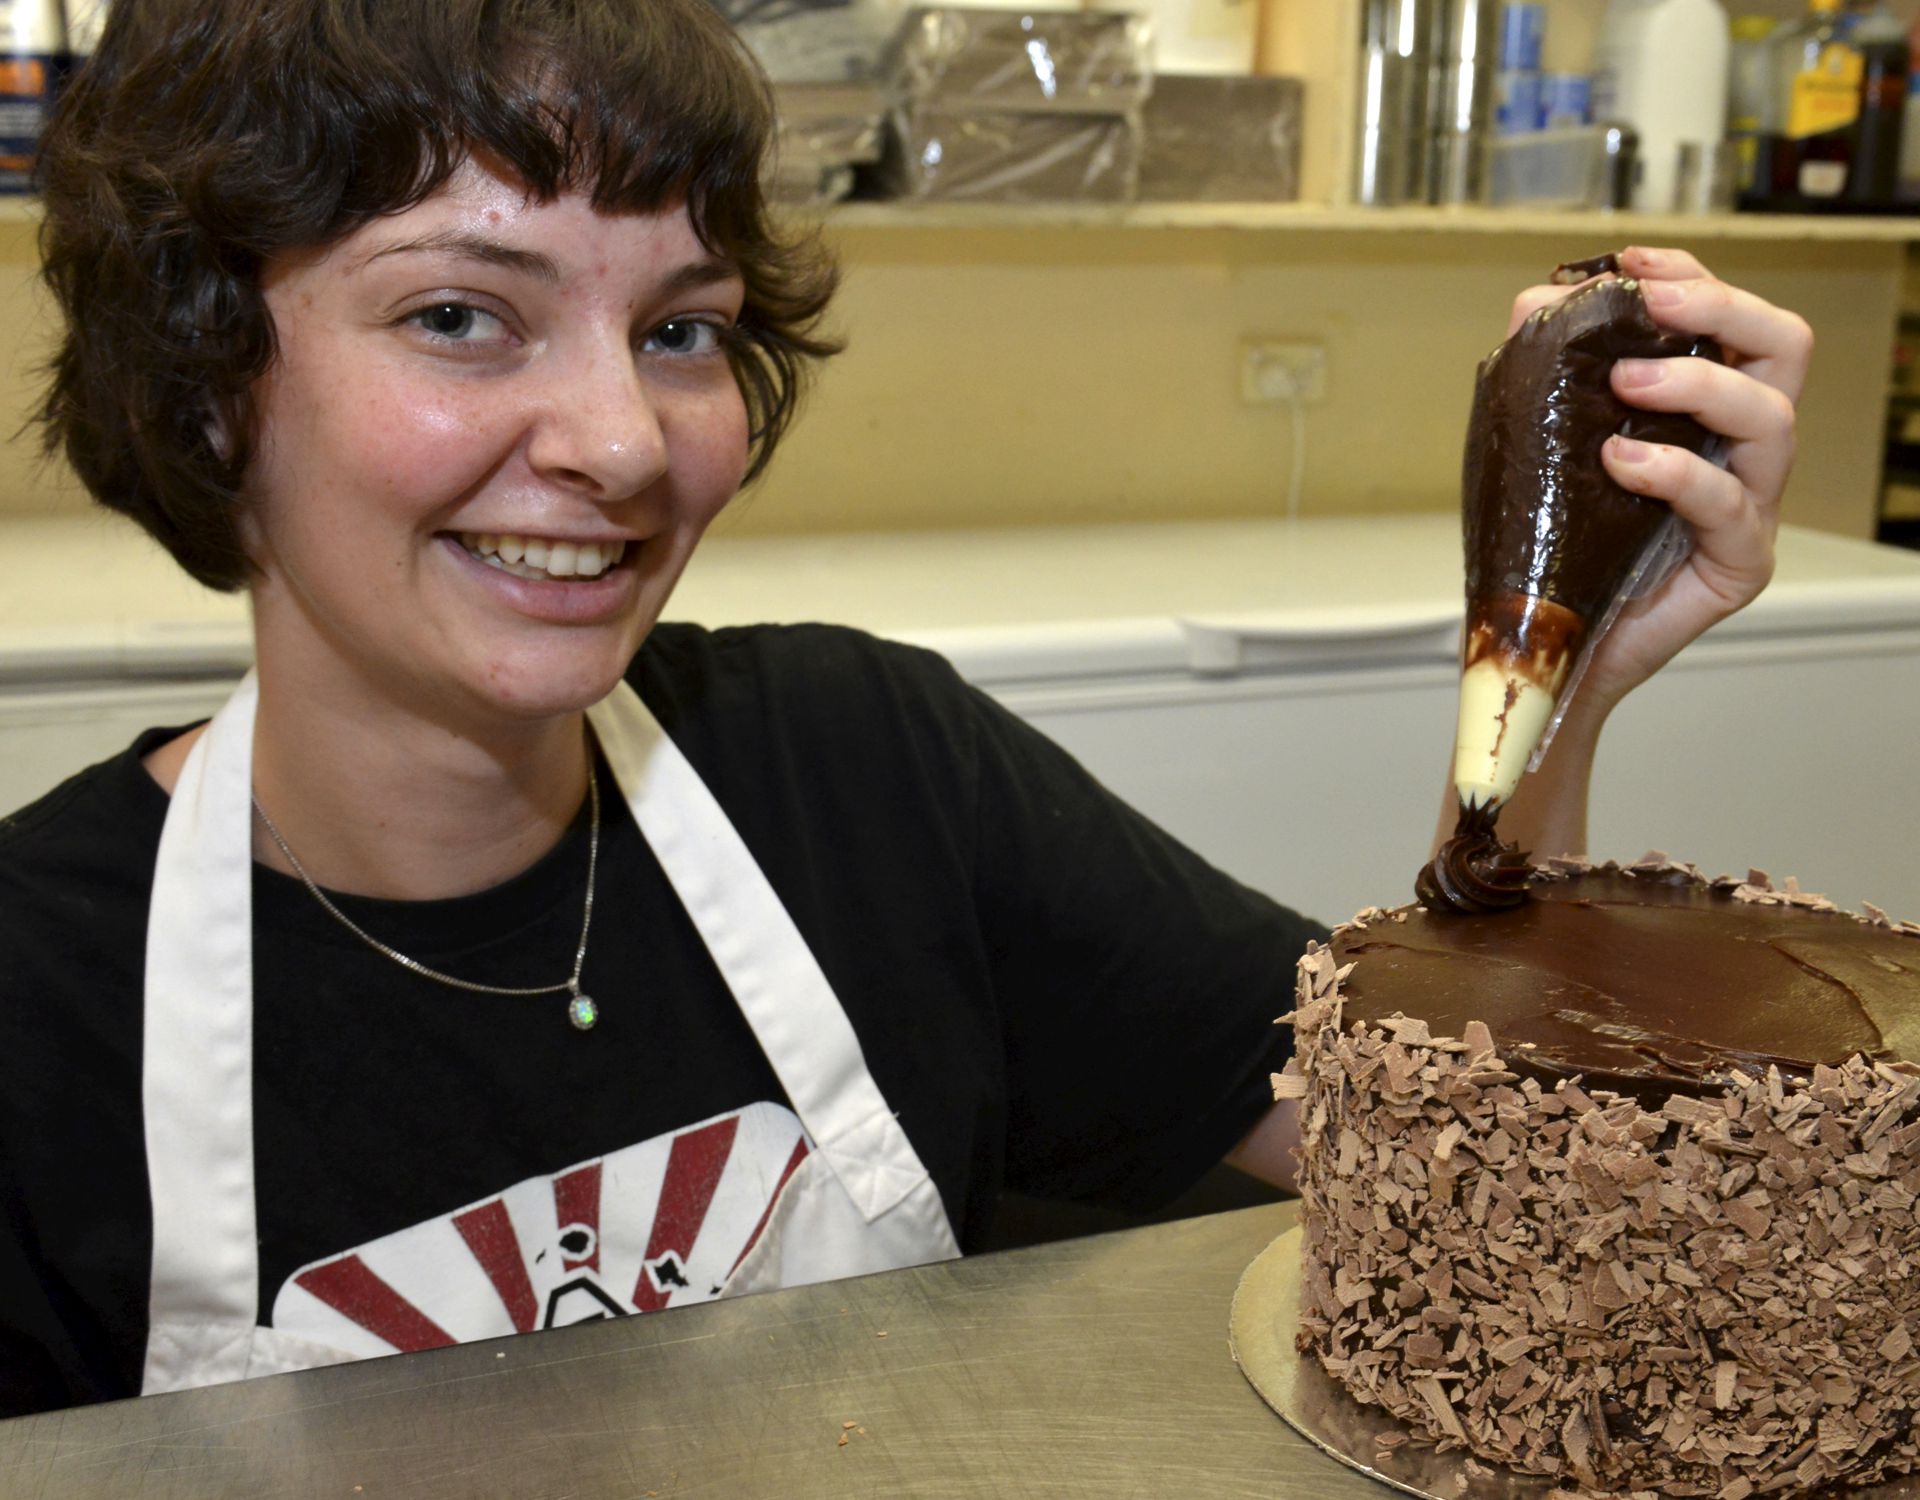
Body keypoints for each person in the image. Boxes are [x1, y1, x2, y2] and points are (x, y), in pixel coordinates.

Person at [0, 0, 1810, 1419]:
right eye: (466, 314)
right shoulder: (35, 997)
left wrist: (1554, 678)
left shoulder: (864, 771)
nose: (625, 443)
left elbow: (1470, 1201)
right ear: (209, 374)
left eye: (683, 329)